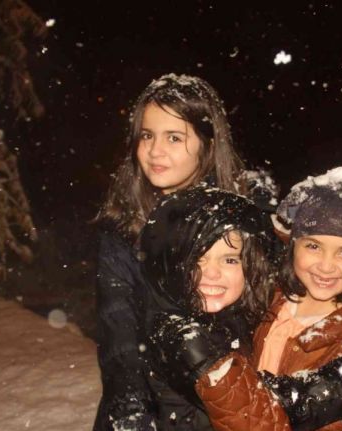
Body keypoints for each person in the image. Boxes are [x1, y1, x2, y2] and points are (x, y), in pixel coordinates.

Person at [147, 185, 342, 431]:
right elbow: (249, 411)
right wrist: (328, 392)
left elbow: (254, 407)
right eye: (313, 246)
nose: (326, 266)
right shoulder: (265, 301)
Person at [93, 73, 255, 431]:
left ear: (207, 145)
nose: (155, 150)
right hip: (147, 409)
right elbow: (119, 335)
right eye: (147, 135)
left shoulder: (240, 221)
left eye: (174, 137)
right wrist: (131, 413)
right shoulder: (122, 229)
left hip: (225, 409)